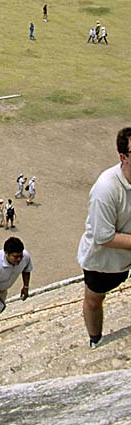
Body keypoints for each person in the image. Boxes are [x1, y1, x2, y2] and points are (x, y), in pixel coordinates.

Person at [78, 127, 131, 348]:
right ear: (123, 157)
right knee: (94, 298)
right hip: (105, 262)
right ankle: (95, 339)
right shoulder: (106, 189)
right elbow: (103, 237)